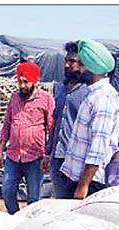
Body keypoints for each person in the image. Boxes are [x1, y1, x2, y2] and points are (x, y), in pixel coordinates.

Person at [60, 40, 119, 199]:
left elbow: (98, 147)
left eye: (81, 64)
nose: (78, 69)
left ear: (93, 68)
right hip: (77, 176)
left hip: (89, 182)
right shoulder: (92, 94)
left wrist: (83, 186)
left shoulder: (103, 98)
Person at [0, 61, 55, 214]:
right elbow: (7, 124)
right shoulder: (14, 97)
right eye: (19, 82)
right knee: (7, 191)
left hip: (35, 157)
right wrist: (0, 151)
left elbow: (51, 128)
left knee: (33, 198)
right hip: (13, 156)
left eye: (26, 82)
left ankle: (28, 224)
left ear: (35, 81)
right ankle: (15, 218)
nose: (22, 86)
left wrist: (48, 154)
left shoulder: (46, 99)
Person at [42, 41, 91, 199]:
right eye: (66, 61)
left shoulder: (88, 93)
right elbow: (56, 124)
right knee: (61, 202)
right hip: (57, 158)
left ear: (83, 64)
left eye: (72, 61)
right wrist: (48, 152)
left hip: (77, 159)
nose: (67, 65)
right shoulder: (61, 90)